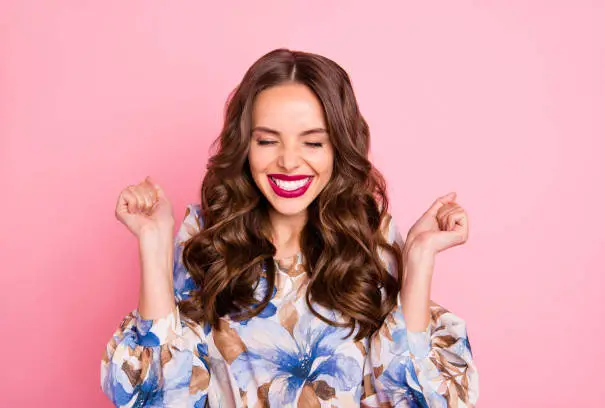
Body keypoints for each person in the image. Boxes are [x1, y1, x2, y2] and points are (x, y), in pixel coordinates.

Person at [101, 48, 479, 407]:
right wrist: (153, 244)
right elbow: (158, 398)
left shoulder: (370, 242)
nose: (288, 161)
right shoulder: (206, 240)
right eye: (267, 140)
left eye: (313, 142)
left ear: (339, 149)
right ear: (244, 145)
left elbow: (409, 399)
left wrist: (419, 257)